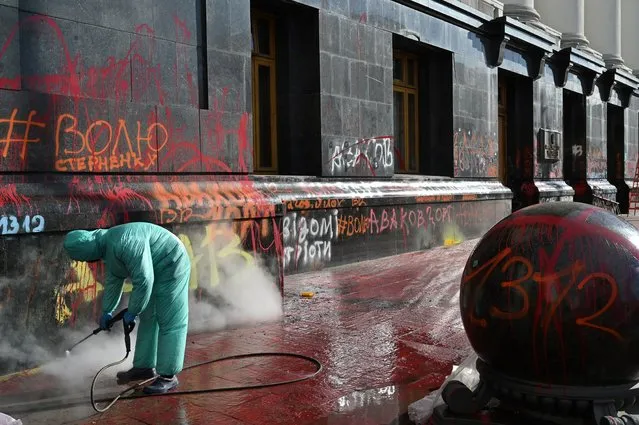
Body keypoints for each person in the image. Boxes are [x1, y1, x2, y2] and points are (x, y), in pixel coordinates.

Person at [63, 222, 191, 394]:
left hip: (172, 261)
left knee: (170, 319)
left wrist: (133, 310)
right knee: (149, 318)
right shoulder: (106, 246)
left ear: (87, 251)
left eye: (85, 258)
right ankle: (144, 367)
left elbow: (144, 279)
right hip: (155, 268)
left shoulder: (124, 242)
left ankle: (168, 376)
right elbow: (114, 280)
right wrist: (107, 311)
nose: (87, 262)